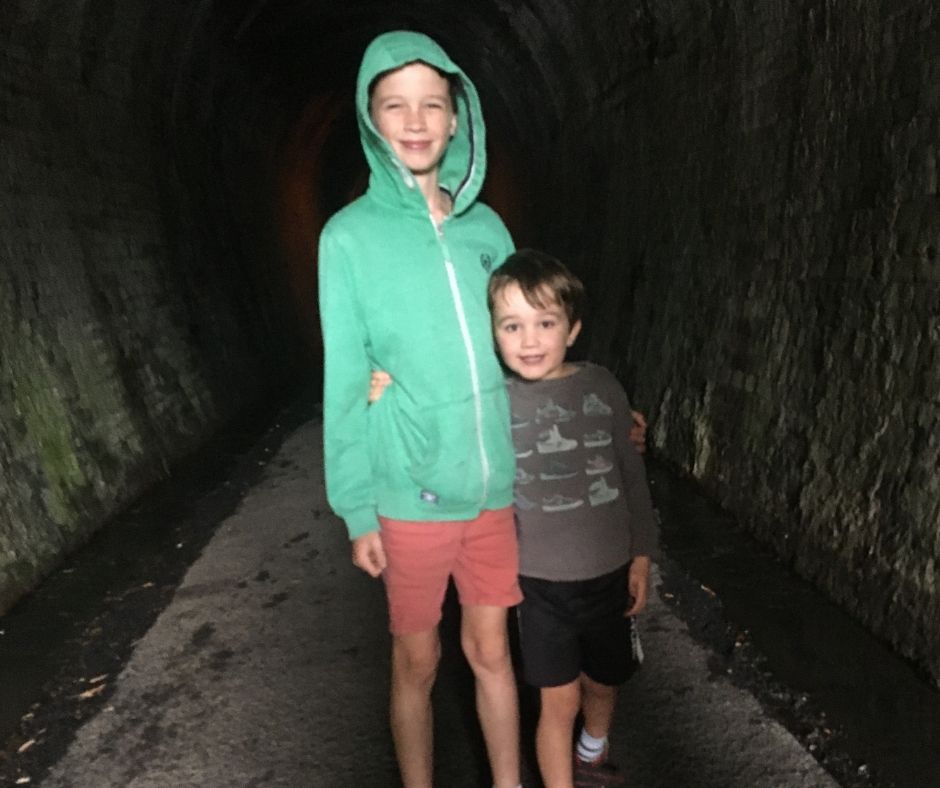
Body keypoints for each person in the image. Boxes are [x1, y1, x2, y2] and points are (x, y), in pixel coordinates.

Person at [317, 30, 522, 788]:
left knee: (495, 653)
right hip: (409, 491)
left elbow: (524, 344)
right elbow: (343, 378)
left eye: (432, 104)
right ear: (372, 121)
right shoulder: (348, 239)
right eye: (394, 105)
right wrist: (356, 507)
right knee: (418, 657)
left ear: (456, 115)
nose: (415, 120)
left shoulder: (488, 230)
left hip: (491, 488)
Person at [487, 249, 660, 788]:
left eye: (545, 323)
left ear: (573, 328)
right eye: (512, 325)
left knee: (605, 681)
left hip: (609, 574)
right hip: (538, 586)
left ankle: (594, 749)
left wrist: (641, 555)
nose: (530, 340)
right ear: (492, 333)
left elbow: (631, 477)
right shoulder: (494, 404)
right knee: (555, 702)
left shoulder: (602, 387)